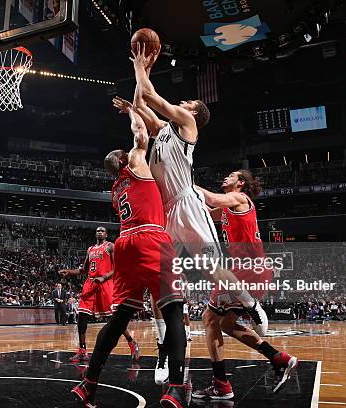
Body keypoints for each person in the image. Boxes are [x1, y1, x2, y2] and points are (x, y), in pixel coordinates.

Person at [113, 43, 267, 385]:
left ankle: (250, 305)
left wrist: (143, 67)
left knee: (212, 267)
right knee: (160, 283)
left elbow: (152, 97)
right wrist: (131, 108)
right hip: (162, 213)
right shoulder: (163, 131)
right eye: (184, 103)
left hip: (186, 205)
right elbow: (142, 103)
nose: (184, 104)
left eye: (189, 104)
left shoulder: (186, 124)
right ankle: (164, 350)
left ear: (194, 113)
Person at [71, 107, 187, 408]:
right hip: (150, 237)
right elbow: (139, 133)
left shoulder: (115, 187)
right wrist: (133, 110)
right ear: (124, 159)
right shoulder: (135, 161)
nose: (134, 150)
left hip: (123, 243)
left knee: (120, 317)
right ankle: (176, 388)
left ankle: (89, 383)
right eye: (128, 152)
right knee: (174, 312)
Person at [192, 170, 297, 398]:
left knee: (209, 318)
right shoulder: (227, 207)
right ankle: (279, 359)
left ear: (240, 183)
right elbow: (206, 212)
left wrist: (185, 183)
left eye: (231, 175)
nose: (225, 177)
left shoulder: (239, 198)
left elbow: (209, 199)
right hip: (253, 271)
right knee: (226, 324)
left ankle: (222, 385)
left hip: (248, 270)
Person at [59, 227, 140, 363]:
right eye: (97, 231)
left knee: (113, 319)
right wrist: (69, 272)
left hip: (106, 283)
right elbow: (84, 270)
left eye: (102, 231)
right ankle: (82, 350)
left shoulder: (110, 246)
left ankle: (132, 342)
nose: (99, 232)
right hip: (90, 283)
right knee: (82, 315)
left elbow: (118, 267)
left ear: (106, 234)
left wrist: (104, 277)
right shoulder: (90, 249)